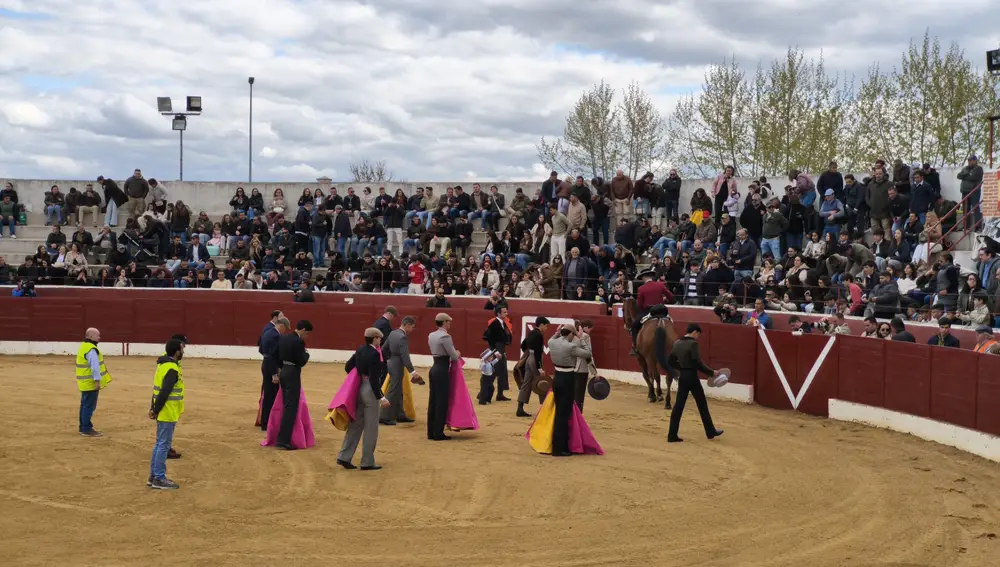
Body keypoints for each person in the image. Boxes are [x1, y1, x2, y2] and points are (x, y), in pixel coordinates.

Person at [338, 328, 392, 470]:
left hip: (360, 387)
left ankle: (344, 456)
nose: (380, 341)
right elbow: (374, 380)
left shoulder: (361, 349)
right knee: (371, 428)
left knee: (356, 424)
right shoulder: (374, 354)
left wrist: (360, 376)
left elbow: (348, 367)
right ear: (375, 338)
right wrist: (381, 397)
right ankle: (367, 461)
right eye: (379, 338)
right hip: (370, 390)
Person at [666, 324, 724, 443]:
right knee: (702, 404)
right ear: (695, 332)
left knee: (678, 406)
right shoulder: (693, 344)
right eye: (698, 334)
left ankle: (672, 435)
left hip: (683, 376)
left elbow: (670, 361)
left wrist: (681, 368)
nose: (698, 337)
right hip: (692, 377)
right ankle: (710, 431)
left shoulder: (677, 343)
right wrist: (712, 372)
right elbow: (698, 363)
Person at [547, 324, 592, 456]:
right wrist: (582, 338)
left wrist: (557, 333)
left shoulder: (552, 342)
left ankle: (557, 445)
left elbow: (553, 338)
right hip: (567, 380)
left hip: (556, 378)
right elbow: (587, 353)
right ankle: (560, 449)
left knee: (559, 412)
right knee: (564, 414)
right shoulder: (571, 346)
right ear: (571, 334)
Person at [147, 338, 185, 490]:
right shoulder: (172, 369)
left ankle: (153, 476)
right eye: (182, 349)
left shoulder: (162, 365)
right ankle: (159, 478)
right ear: (177, 352)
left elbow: (157, 390)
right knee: (163, 445)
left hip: (163, 410)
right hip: (168, 411)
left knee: (160, 444)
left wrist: (153, 408)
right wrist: (155, 409)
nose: (183, 352)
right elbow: (164, 391)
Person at [275, 320, 312, 450]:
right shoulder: (298, 342)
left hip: (284, 371)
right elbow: (301, 361)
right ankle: (283, 440)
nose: (306, 336)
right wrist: (307, 354)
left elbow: (277, 357)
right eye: (306, 333)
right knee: (291, 407)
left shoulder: (283, 338)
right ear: (302, 330)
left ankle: (281, 438)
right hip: (292, 374)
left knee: (286, 405)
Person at [380, 316, 420, 425]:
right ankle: (384, 416)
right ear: (407, 325)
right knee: (393, 389)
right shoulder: (402, 337)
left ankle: (400, 414)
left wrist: (390, 359)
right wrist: (412, 371)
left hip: (391, 362)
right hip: (397, 364)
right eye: (412, 327)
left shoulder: (393, 333)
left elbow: (383, 349)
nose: (412, 329)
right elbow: (405, 356)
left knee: (398, 389)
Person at [428, 313, 461, 441]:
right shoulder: (445, 336)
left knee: (433, 401)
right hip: (442, 370)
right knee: (442, 401)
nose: (450, 324)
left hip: (434, 368)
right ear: (444, 322)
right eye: (449, 322)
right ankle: (438, 433)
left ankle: (431, 432)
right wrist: (458, 353)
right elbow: (453, 356)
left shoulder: (431, 335)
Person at [75, 327, 112, 437]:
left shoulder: (83, 346)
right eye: (97, 335)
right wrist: (97, 381)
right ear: (90, 336)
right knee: (89, 406)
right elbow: (95, 367)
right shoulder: (91, 349)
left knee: (84, 405)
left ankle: (83, 427)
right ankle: (86, 428)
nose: (99, 337)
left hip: (84, 382)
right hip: (90, 382)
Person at [630, 269, 673, 354]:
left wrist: (642, 310)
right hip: (662, 311)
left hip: (648, 311)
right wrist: (670, 301)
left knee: (634, 326)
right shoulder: (661, 285)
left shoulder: (641, 288)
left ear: (644, 277)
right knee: (671, 323)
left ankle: (635, 347)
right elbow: (671, 296)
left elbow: (639, 305)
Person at [256, 310, 286, 431]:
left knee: (268, 394)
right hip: (270, 366)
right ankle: (266, 422)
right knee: (269, 395)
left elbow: (261, 348)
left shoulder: (268, 330)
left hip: (267, 364)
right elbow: (269, 354)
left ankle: (265, 420)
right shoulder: (272, 333)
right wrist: (274, 372)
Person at [478, 305, 512, 404]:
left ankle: (499, 394)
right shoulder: (494, 323)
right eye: (504, 312)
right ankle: (482, 394)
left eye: (506, 312)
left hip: (501, 348)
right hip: (496, 349)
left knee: (500, 371)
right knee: (492, 372)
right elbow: (489, 337)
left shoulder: (502, 323)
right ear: (498, 313)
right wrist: (495, 351)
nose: (506, 314)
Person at [516, 316, 549, 417]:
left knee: (526, 383)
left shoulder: (531, 332)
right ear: (542, 325)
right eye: (546, 326)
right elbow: (538, 352)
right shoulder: (539, 335)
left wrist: (528, 354)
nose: (546, 328)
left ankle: (520, 409)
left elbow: (522, 345)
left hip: (528, 359)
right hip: (535, 360)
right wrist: (539, 367)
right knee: (541, 382)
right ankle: (544, 409)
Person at [573, 320, 596, 411]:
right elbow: (588, 355)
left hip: (572, 367)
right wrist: (594, 372)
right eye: (590, 329)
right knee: (580, 393)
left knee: (573, 392)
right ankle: (578, 412)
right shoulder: (585, 336)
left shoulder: (573, 335)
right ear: (585, 328)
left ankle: (573, 411)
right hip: (582, 368)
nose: (590, 331)